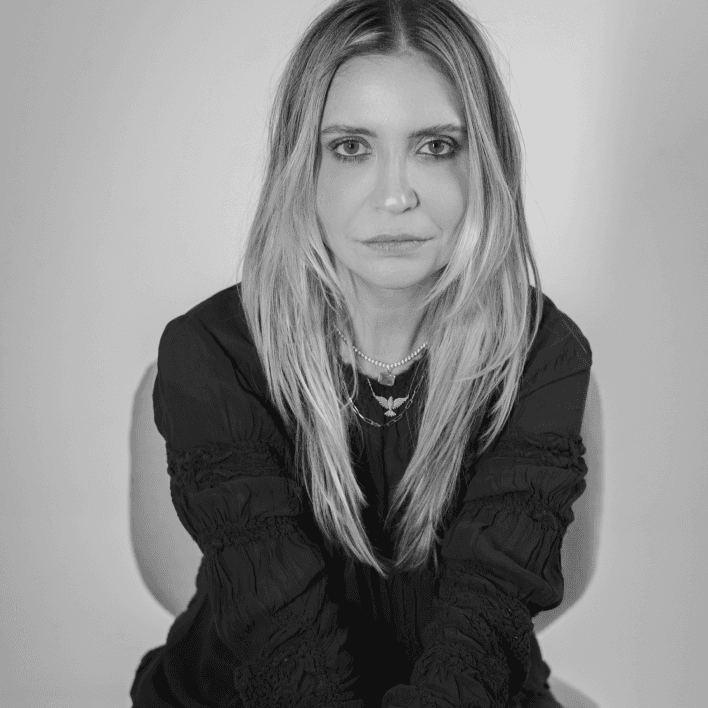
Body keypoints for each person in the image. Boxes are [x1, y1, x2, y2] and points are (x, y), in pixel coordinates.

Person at [130, 0, 593, 706]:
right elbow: (286, 657)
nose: (395, 195)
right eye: (351, 148)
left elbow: (485, 630)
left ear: (484, 164)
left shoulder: (540, 355)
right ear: (302, 166)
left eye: (436, 147)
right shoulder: (213, 355)